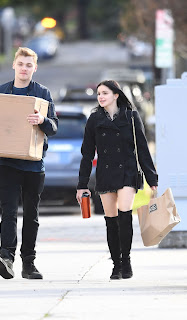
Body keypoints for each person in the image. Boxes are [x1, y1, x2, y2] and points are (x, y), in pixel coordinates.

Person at [0, 47, 58, 280]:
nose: (24, 68)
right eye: (21, 64)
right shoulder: (1, 92)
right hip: (7, 163)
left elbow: (54, 127)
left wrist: (42, 120)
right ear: (14, 65)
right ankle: (6, 259)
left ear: (35, 68)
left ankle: (28, 264)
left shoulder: (42, 94)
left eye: (29, 65)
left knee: (31, 215)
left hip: (34, 165)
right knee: (8, 212)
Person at [76, 80, 158, 280]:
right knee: (110, 220)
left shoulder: (131, 117)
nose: (100, 97)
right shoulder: (94, 119)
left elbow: (142, 148)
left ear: (116, 95)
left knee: (124, 213)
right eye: (98, 94)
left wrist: (152, 178)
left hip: (127, 171)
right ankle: (116, 264)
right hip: (105, 173)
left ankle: (126, 261)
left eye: (104, 93)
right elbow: (87, 155)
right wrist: (82, 185)